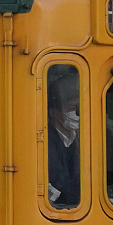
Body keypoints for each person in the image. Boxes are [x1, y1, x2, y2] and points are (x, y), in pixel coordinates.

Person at [46, 72, 81, 209]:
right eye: (71, 108)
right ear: (53, 113)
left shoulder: (79, 137)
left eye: (78, 108)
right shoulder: (45, 140)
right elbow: (59, 179)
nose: (77, 113)